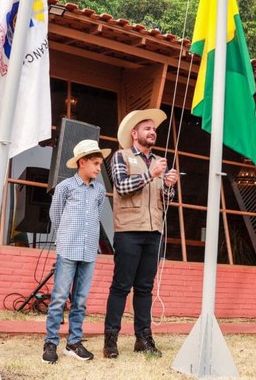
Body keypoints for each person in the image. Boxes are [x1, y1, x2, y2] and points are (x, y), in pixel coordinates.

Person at [102, 109, 178, 359]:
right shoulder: (120, 156)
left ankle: (143, 338)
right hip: (128, 231)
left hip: (153, 231)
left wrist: (168, 187)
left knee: (145, 289)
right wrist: (152, 174)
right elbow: (121, 187)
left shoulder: (158, 160)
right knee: (121, 286)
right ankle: (110, 339)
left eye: (154, 128)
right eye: (147, 128)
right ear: (134, 134)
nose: (152, 131)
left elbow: (164, 201)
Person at [41, 139, 111, 364]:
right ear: (82, 162)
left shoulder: (99, 191)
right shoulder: (65, 188)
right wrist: (67, 238)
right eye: (95, 163)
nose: (99, 168)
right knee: (60, 298)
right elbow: (56, 216)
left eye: (100, 164)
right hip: (68, 250)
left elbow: (97, 216)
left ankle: (74, 343)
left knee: (80, 300)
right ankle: (51, 342)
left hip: (89, 251)